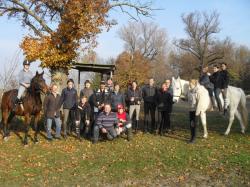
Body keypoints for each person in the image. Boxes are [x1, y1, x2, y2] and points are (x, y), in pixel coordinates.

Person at [188, 79, 199, 143]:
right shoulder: (189, 91)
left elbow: (199, 100)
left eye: (191, 84)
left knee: (195, 124)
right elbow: (187, 98)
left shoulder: (197, 91)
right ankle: (191, 136)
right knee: (191, 124)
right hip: (190, 109)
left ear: (194, 84)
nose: (190, 84)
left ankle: (194, 138)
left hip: (196, 110)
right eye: (189, 83)